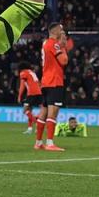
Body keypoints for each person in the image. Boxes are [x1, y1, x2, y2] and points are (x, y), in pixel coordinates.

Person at [35, 23, 68, 151]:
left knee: (43, 112)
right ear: (56, 31)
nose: (63, 32)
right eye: (61, 29)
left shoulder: (45, 43)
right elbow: (64, 61)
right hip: (54, 81)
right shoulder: (54, 44)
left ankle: (38, 142)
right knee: (52, 112)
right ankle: (50, 143)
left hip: (45, 81)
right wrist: (63, 47)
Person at [17, 62, 43, 135]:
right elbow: (38, 83)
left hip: (32, 93)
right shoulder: (32, 72)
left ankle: (37, 122)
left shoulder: (23, 73)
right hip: (39, 92)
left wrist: (19, 96)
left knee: (25, 110)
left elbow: (22, 85)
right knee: (30, 111)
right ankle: (30, 129)